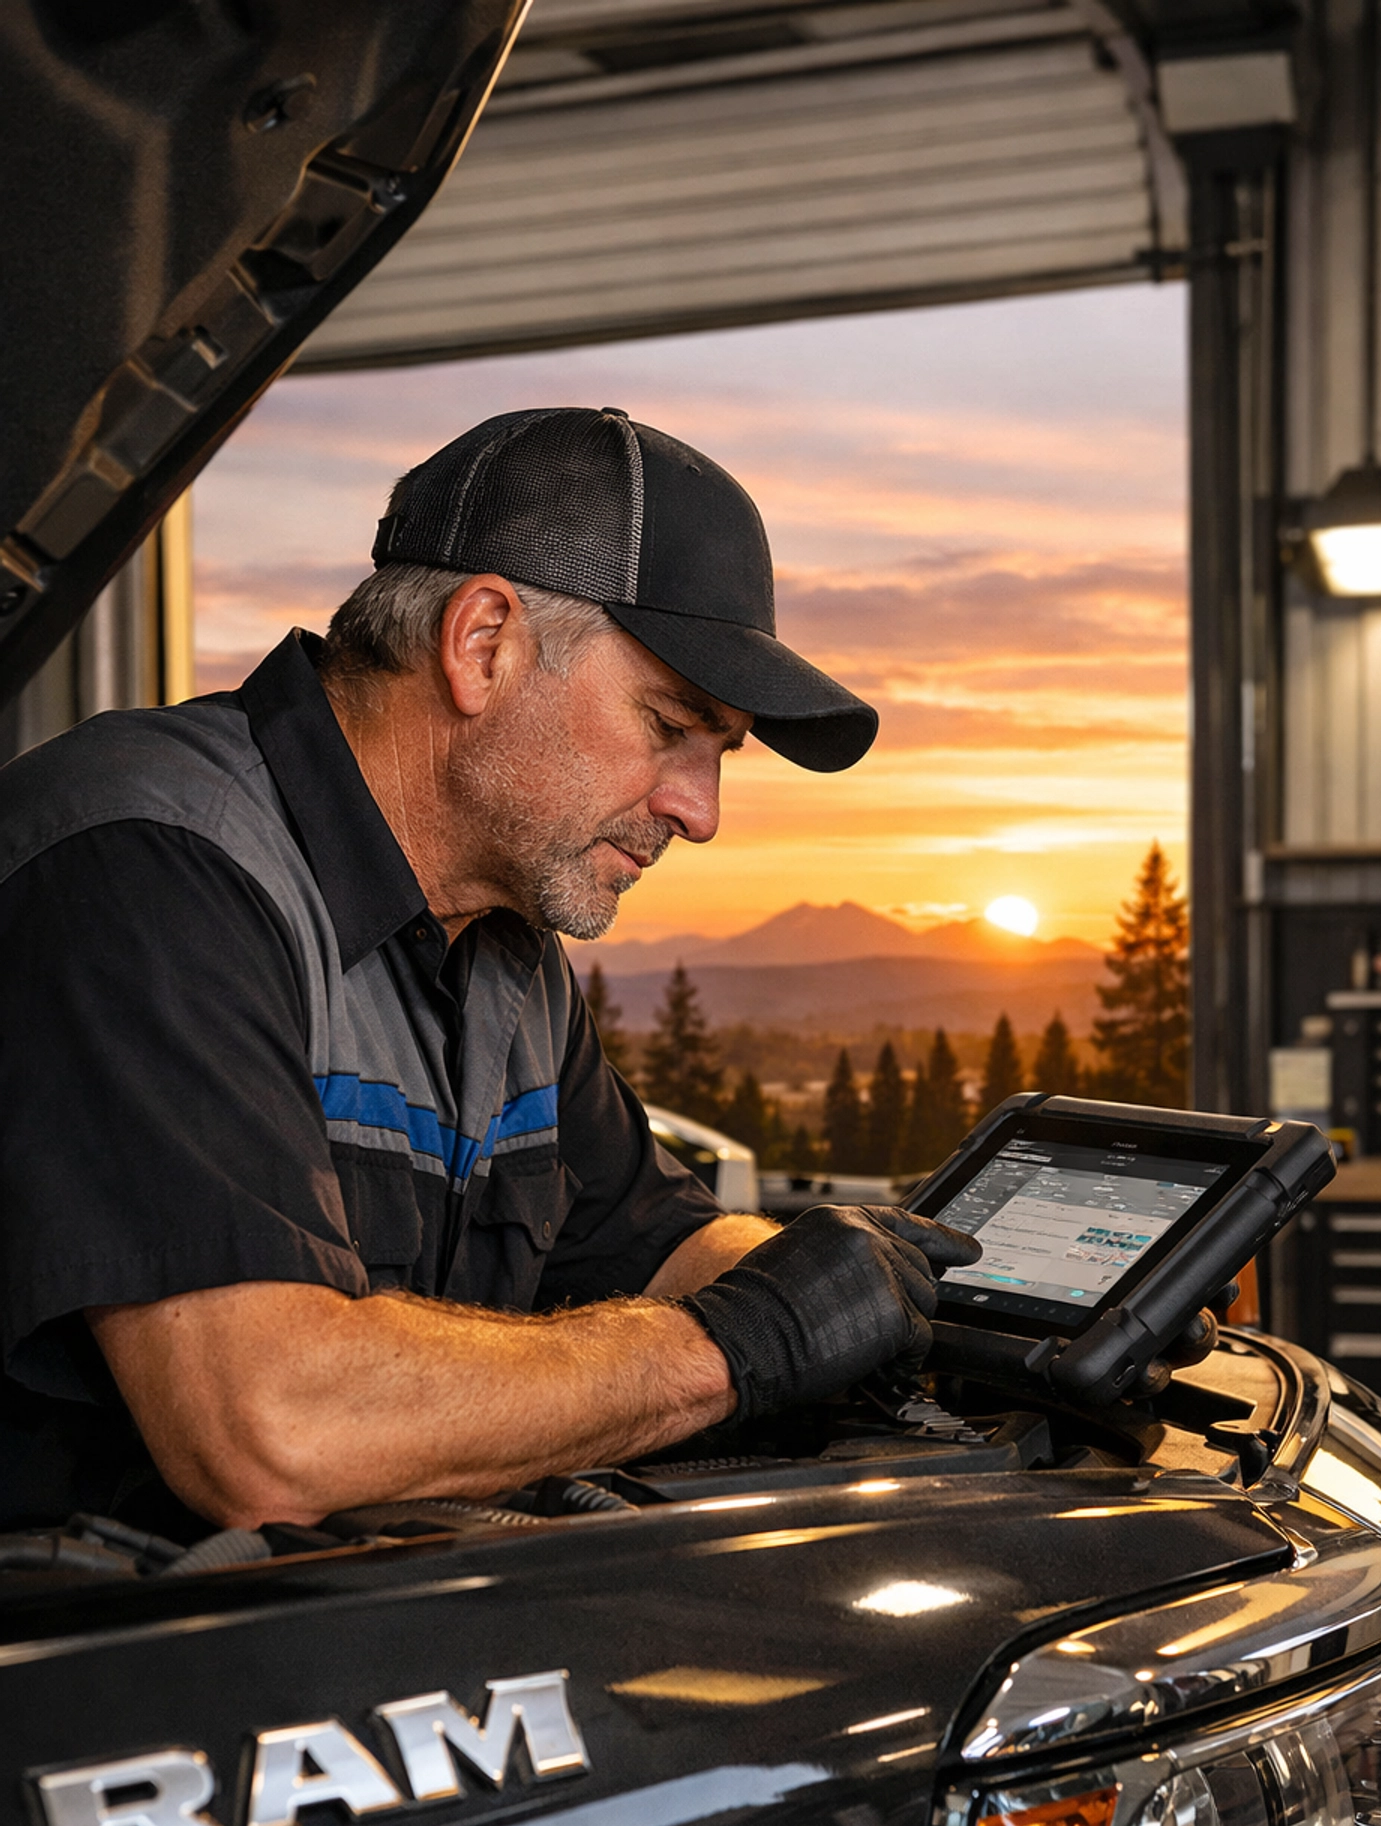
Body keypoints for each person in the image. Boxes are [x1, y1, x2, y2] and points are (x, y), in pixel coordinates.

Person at [0, 407, 978, 1536]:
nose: (700, 812)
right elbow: (276, 1431)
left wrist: (906, 1310)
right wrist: (735, 1346)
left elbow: (663, 1247)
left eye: (721, 755)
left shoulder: (500, 944)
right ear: (482, 646)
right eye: (671, 725)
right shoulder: (151, 866)